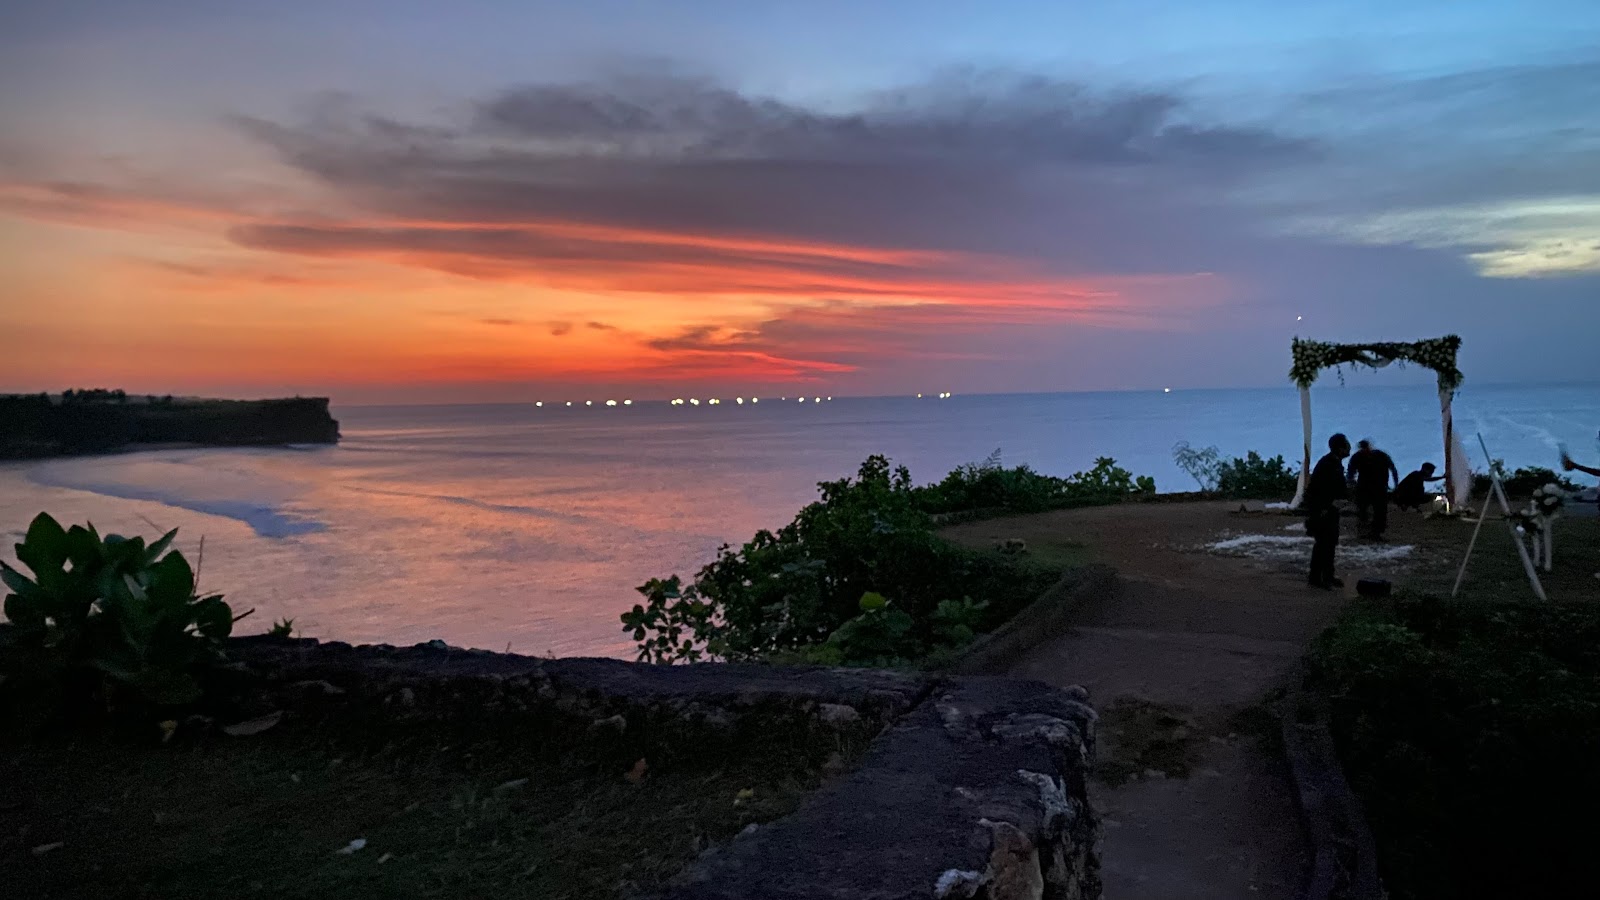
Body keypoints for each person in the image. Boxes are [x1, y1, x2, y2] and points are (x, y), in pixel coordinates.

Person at [1306, 433, 1351, 589]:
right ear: (1340, 448)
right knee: (1324, 543)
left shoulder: (1332, 463)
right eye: (1346, 444)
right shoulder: (1329, 464)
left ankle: (1326, 575)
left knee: (1329, 543)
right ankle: (1318, 578)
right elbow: (1321, 488)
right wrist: (1324, 507)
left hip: (1328, 508)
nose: (1349, 447)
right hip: (1324, 509)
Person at [1347, 439, 1399, 540]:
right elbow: (1350, 473)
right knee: (1364, 510)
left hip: (1378, 487)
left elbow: (1392, 468)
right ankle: (1365, 532)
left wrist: (1396, 484)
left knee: (1379, 511)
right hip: (1365, 487)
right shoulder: (1359, 457)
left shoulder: (1379, 455)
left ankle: (1375, 532)